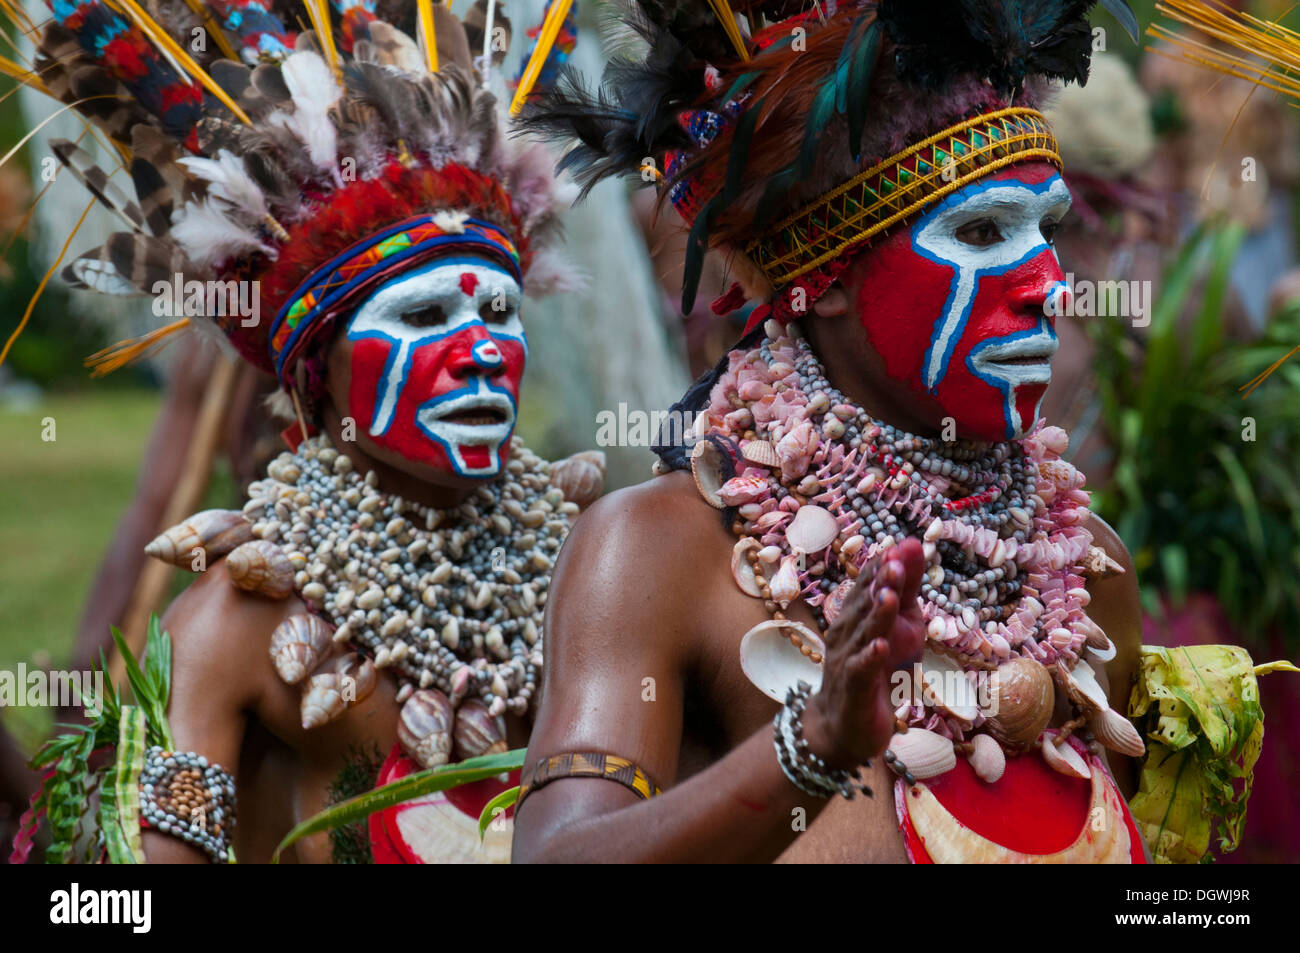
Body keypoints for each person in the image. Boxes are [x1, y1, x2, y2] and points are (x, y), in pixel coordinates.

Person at [512, 0, 1162, 863]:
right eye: (980, 232)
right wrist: (810, 749)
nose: (1050, 283)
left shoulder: (1082, 576)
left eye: (1047, 230)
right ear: (825, 274)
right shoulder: (657, 552)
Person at [14, 0, 601, 863]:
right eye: (426, 313)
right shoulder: (231, 628)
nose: (480, 351)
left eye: (500, 311)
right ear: (318, 378)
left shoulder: (604, 569)